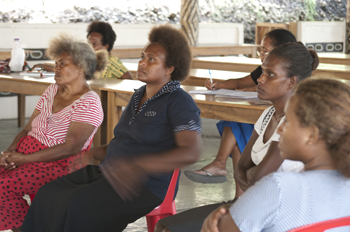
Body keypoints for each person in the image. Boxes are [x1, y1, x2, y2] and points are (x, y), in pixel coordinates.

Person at [20, 24, 202, 232]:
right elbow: (125, 140)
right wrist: (94, 153)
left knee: (75, 204)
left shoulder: (179, 101)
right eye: (143, 56)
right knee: (48, 193)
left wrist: (138, 166)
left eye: (151, 59)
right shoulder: (138, 96)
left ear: (170, 68)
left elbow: (191, 151)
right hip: (109, 170)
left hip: (143, 184)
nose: (142, 62)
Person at [155, 42, 318, 232]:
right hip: (255, 205)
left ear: (291, 82)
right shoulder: (267, 116)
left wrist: (253, 175)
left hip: (280, 217)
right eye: (262, 73)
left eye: (270, 74)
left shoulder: (295, 121)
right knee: (163, 226)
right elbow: (241, 171)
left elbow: (257, 176)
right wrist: (254, 176)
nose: (260, 80)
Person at [201, 78, 350, 232]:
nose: (279, 130)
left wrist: (234, 212)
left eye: (288, 122)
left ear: (312, 135)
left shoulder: (277, 187)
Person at [0, 33, 107, 231]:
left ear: (82, 66)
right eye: (56, 63)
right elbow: (27, 129)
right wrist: (9, 152)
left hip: (58, 163)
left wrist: (23, 159)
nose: (56, 68)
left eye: (62, 63)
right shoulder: (52, 90)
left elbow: (71, 147)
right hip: (28, 155)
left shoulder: (89, 102)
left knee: (3, 188)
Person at [185, 29, 297, 195]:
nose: (261, 55)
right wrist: (219, 85)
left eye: (266, 51)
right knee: (235, 126)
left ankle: (223, 168)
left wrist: (254, 89)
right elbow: (239, 82)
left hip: (273, 123)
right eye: (261, 50)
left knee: (236, 124)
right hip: (264, 119)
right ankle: (237, 193)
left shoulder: (290, 81)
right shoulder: (263, 70)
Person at [33, 21, 133, 80]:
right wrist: (44, 66)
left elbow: (129, 80)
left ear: (105, 46)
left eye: (94, 44)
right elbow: (69, 69)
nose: (90, 46)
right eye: (88, 42)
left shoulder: (112, 62)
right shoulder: (84, 59)